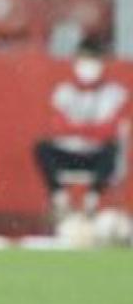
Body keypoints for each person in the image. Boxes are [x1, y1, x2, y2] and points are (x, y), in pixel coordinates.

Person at [34, 40, 128, 221]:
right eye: (84, 60)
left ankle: (91, 201)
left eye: (92, 60)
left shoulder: (114, 93)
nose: (87, 66)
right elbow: (57, 127)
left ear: (101, 63)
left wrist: (75, 128)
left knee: (113, 148)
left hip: (96, 155)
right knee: (41, 147)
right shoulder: (64, 92)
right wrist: (92, 129)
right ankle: (60, 199)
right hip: (69, 152)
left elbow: (110, 130)